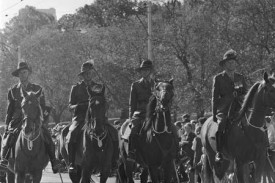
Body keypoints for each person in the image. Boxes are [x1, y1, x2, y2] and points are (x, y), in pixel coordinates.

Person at [0, 61, 60, 173]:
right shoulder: (12, 91)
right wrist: (7, 124)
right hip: (18, 119)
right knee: (9, 137)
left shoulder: (38, 88)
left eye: (24, 72)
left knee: (47, 136)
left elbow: (42, 106)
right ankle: (4, 162)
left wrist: (42, 121)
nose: (22, 75)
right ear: (18, 75)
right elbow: (10, 110)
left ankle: (53, 160)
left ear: (28, 73)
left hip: (34, 119)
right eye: (20, 73)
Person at [67, 60, 119, 173]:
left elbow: (106, 103)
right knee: (71, 134)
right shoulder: (75, 88)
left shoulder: (99, 87)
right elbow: (70, 106)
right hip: (80, 117)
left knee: (114, 133)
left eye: (90, 73)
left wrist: (103, 105)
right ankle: (71, 162)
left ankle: (114, 162)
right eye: (85, 73)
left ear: (92, 74)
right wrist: (80, 105)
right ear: (82, 75)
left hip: (97, 116)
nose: (88, 75)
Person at [212, 49, 247, 163]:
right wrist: (214, 113)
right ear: (225, 64)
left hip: (239, 105)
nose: (232, 64)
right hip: (224, 107)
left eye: (233, 62)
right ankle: (219, 152)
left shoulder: (240, 77)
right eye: (229, 62)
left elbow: (246, 93)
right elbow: (215, 96)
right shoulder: (218, 78)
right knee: (221, 124)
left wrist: (242, 97)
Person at [127, 59, 155, 162]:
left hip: (154, 113)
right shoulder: (135, 85)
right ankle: (132, 152)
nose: (144, 72)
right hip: (140, 113)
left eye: (146, 70)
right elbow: (132, 103)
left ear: (150, 71)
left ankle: (178, 152)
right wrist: (131, 118)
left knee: (170, 127)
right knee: (134, 130)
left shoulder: (156, 85)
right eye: (142, 70)